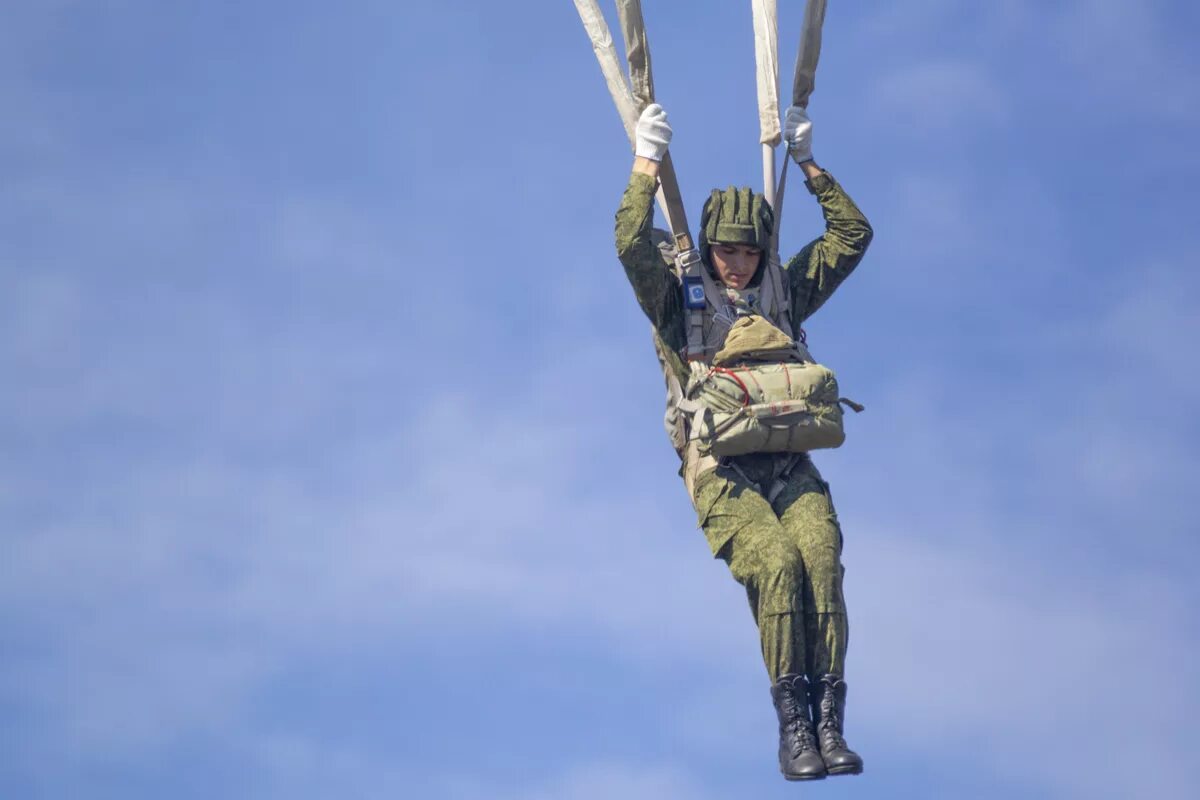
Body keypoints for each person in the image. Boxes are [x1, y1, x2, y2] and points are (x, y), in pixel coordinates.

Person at [613, 103, 873, 781]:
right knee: (775, 563)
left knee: (820, 560)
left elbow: (852, 235)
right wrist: (644, 165)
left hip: (788, 462)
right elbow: (628, 244)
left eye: (749, 251)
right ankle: (793, 731)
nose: (736, 263)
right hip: (722, 470)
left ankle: (829, 725)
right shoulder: (682, 300)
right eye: (726, 250)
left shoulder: (786, 294)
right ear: (707, 246)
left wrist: (809, 165)